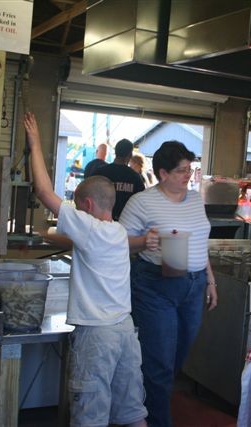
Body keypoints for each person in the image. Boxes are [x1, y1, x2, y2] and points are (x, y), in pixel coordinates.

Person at [23, 112, 148, 427]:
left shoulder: (89, 227)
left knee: (90, 415)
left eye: (78, 207)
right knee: (132, 412)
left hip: (97, 336)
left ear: (88, 207)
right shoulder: (117, 232)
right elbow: (83, 241)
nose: (76, 212)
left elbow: (43, 192)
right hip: (124, 331)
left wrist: (35, 142)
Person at [118, 141, 218, 427]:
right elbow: (117, 242)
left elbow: (201, 243)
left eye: (190, 169)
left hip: (194, 285)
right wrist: (142, 241)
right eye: (181, 171)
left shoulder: (195, 199)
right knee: (159, 361)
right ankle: (156, 421)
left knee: (177, 357)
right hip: (155, 285)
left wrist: (210, 280)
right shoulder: (142, 202)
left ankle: (140, 408)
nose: (188, 175)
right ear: (162, 173)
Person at [93, 139, 145, 220]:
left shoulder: (99, 172)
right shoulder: (135, 177)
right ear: (130, 155)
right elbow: (141, 203)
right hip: (125, 223)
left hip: (100, 221)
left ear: (116, 152)